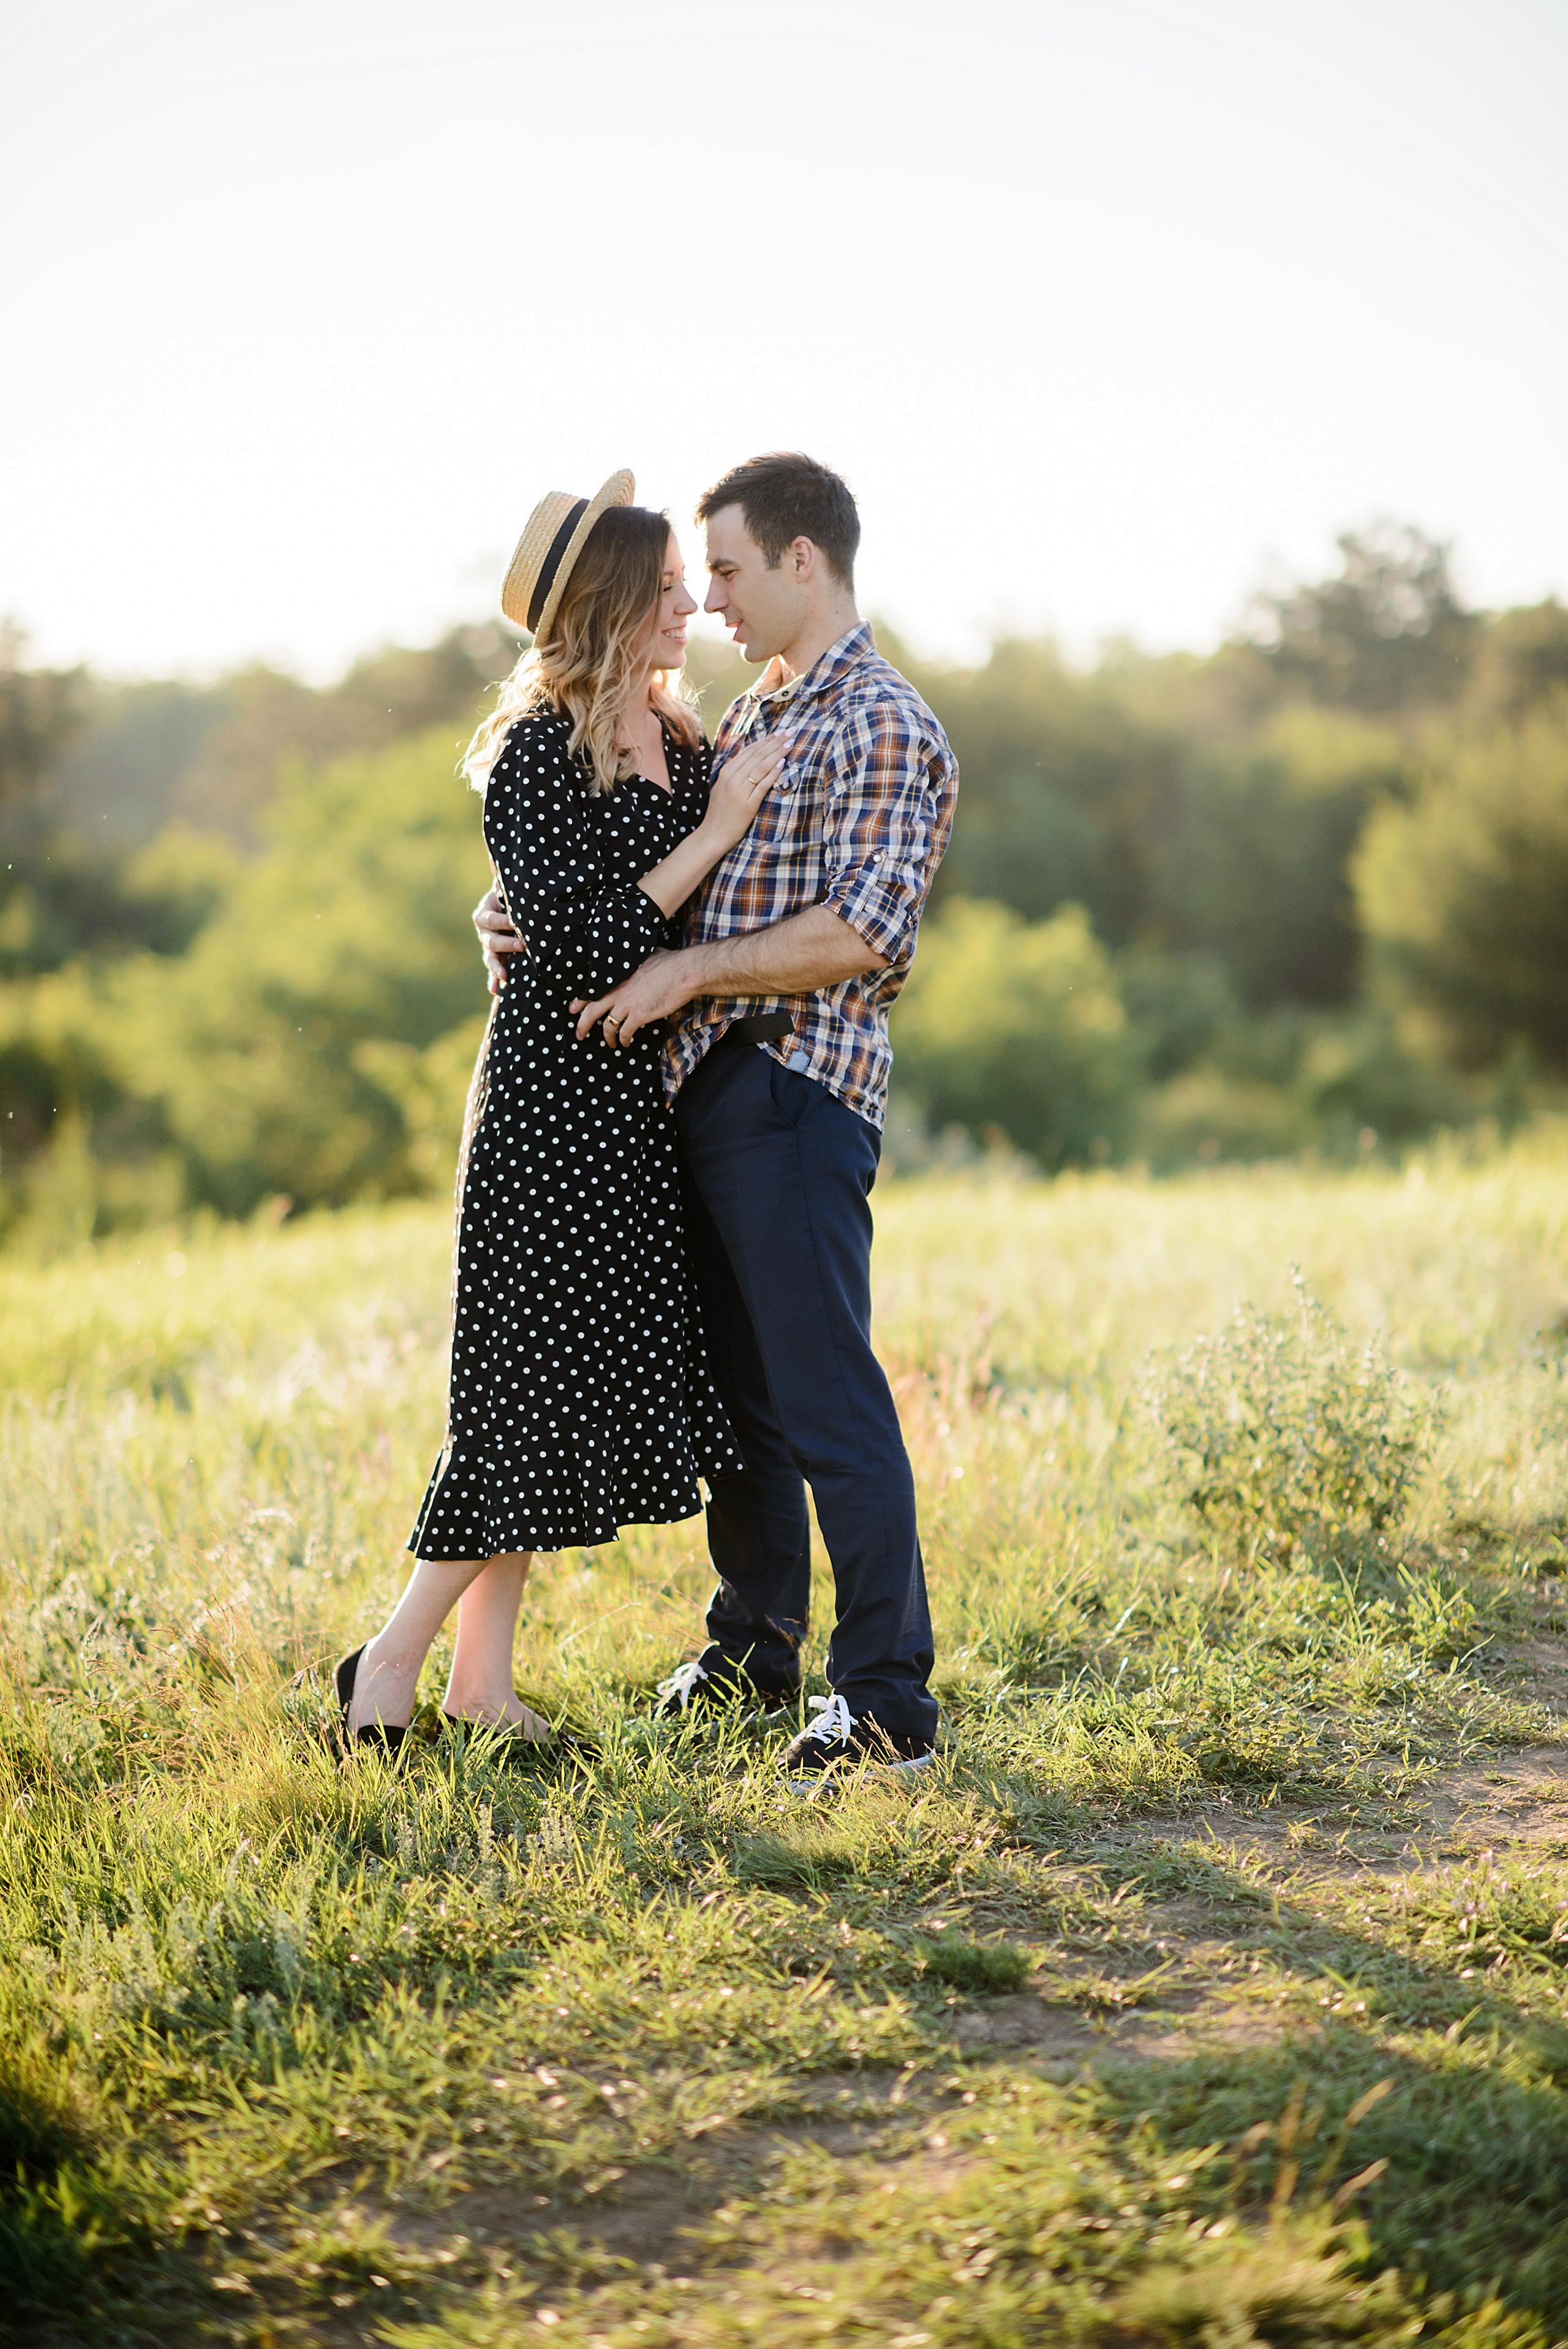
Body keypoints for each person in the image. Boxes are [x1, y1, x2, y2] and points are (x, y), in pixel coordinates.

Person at [476, 452, 957, 1785]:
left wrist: (682, 972)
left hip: (791, 1085)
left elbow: (860, 928)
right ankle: (754, 1647)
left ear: (804, 559)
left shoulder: (880, 721)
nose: (716, 604)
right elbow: (630, 873)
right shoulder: (750, 714)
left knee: (824, 1397)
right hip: (693, 1089)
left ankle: (886, 1703)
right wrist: (517, 917)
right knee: (743, 1403)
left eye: (732, 572)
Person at [335, 469, 787, 1752]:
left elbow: (683, 925)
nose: (687, 609)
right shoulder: (536, 750)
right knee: (515, 1401)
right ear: (601, 608)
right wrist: (707, 837)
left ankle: (481, 1690)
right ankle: (385, 1668)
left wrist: (713, 834)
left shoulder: (683, 739)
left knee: (549, 1398)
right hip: (546, 1105)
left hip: (628, 1115)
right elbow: (592, 949)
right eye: (658, 593)